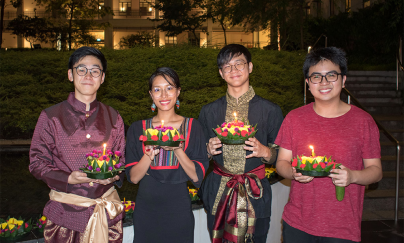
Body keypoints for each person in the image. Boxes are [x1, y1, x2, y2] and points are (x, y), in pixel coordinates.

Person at [275, 47, 382, 242]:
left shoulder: (363, 121)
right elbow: (281, 162)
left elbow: (376, 171)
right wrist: (292, 173)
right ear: (308, 83)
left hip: (342, 227)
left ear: (343, 79)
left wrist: (353, 176)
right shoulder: (294, 118)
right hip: (297, 222)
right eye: (316, 77)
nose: (324, 82)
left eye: (331, 75)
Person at [29, 46, 126, 243]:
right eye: (81, 69)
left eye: (95, 71)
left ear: (103, 78)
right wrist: (67, 178)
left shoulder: (114, 117)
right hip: (64, 217)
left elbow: (120, 161)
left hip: (106, 215)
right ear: (70, 75)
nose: (88, 75)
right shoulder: (51, 117)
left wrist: (114, 175)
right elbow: (36, 162)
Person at [198, 44, 284, 243]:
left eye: (239, 64)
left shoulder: (269, 110)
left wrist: (265, 151)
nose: (233, 70)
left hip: (256, 193)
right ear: (221, 73)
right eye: (227, 66)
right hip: (219, 192)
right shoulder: (209, 111)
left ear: (250, 67)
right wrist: (207, 150)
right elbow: (197, 156)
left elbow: (283, 155)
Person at [125, 67, 209, 243]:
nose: (164, 95)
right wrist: (148, 155)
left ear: (178, 91)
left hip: (178, 208)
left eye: (169, 88)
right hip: (146, 208)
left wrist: (177, 148)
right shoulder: (137, 128)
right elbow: (133, 178)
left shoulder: (193, 127)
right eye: (157, 89)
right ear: (151, 94)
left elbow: (196, 176)